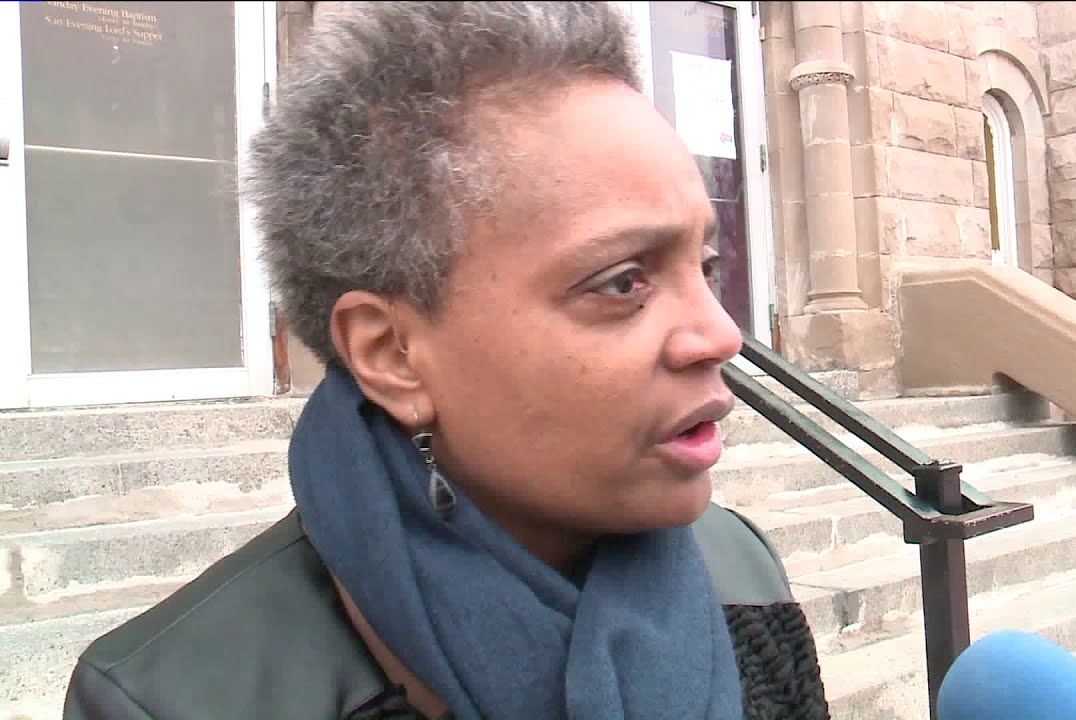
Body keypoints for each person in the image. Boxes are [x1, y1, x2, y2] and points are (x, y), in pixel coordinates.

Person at [61, 3, 830, 719]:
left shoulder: (738, 569)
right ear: (392, 354)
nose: (719, 335)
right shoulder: (172, 697)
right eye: (623, 282)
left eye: (707, 264)